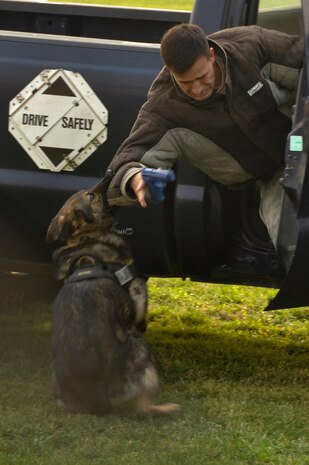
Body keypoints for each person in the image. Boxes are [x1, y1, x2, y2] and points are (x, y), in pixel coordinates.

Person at [102, 23, 304, 247]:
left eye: (202, 77)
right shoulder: (164, 109)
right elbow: (127, 160)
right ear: (170, 71)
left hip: (303, 147)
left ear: (211, 55)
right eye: (186, 82)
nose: (198, 89)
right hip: (271, 178)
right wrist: (135, 178)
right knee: (293, 240)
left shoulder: (251, 46)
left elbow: (303, 60)